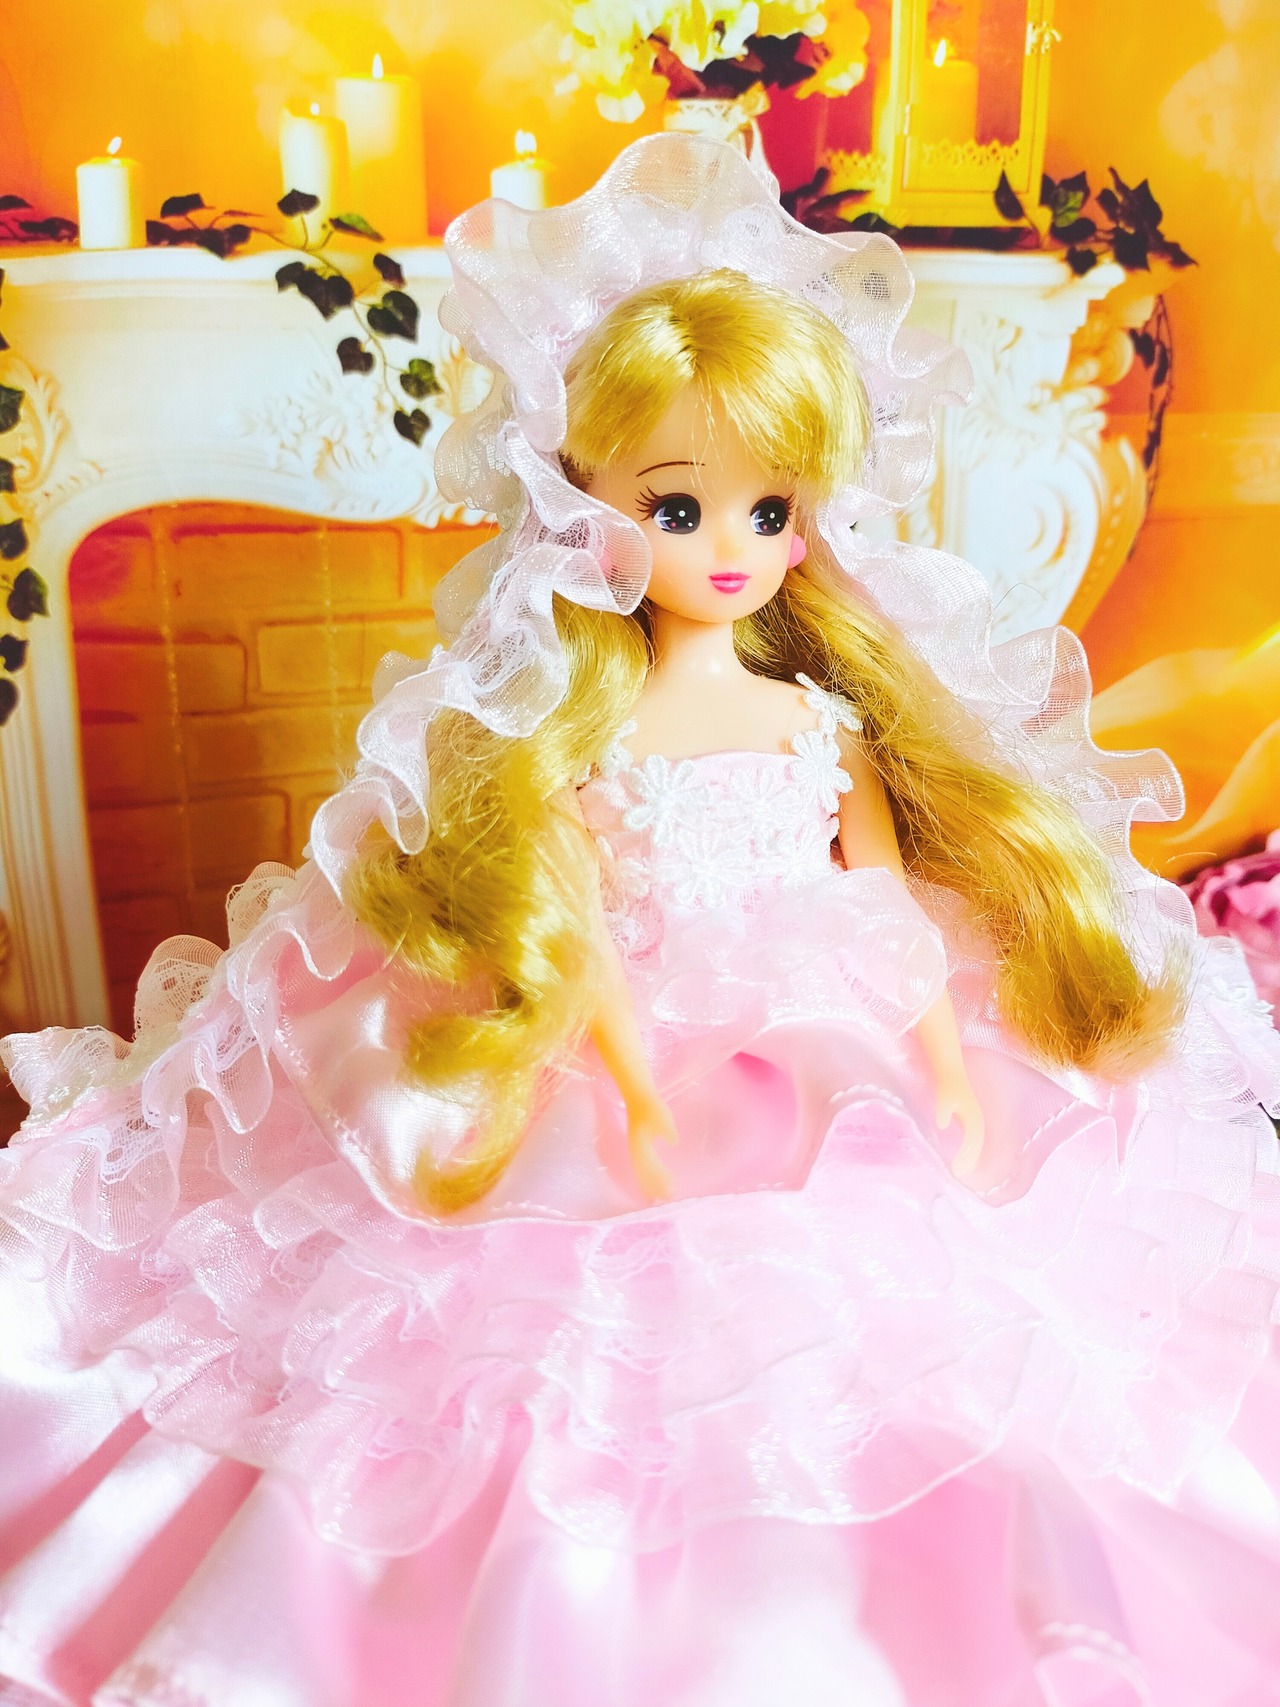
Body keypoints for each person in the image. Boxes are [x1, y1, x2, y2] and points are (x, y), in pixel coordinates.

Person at [2, 133, 1279, 1707]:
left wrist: (950, 1071)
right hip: (640, 1064)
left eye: (768, 507)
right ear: (587, 506)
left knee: (904, 1327)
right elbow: (580, 934)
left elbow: (881, 900)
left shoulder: (821, 720)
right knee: (560, 1348)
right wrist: (633, 1086)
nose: (731, 550)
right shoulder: (581, 730)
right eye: (680, 508)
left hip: (837, 1048)